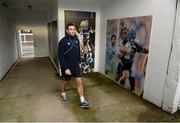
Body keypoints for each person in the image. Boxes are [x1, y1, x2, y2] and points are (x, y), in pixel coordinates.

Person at [58, 23, 91, 109]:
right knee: (64, 81)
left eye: (73, 29)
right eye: (70, 29)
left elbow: (77, 52)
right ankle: (62, 93)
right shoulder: (62, 42)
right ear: (67, 30)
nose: (72, 31)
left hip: (76, 65)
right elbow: (60, 57)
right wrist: (65, 68)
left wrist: (79, 62)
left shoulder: (76, 39)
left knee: (79, 82)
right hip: (67, 67)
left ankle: (82, 100)